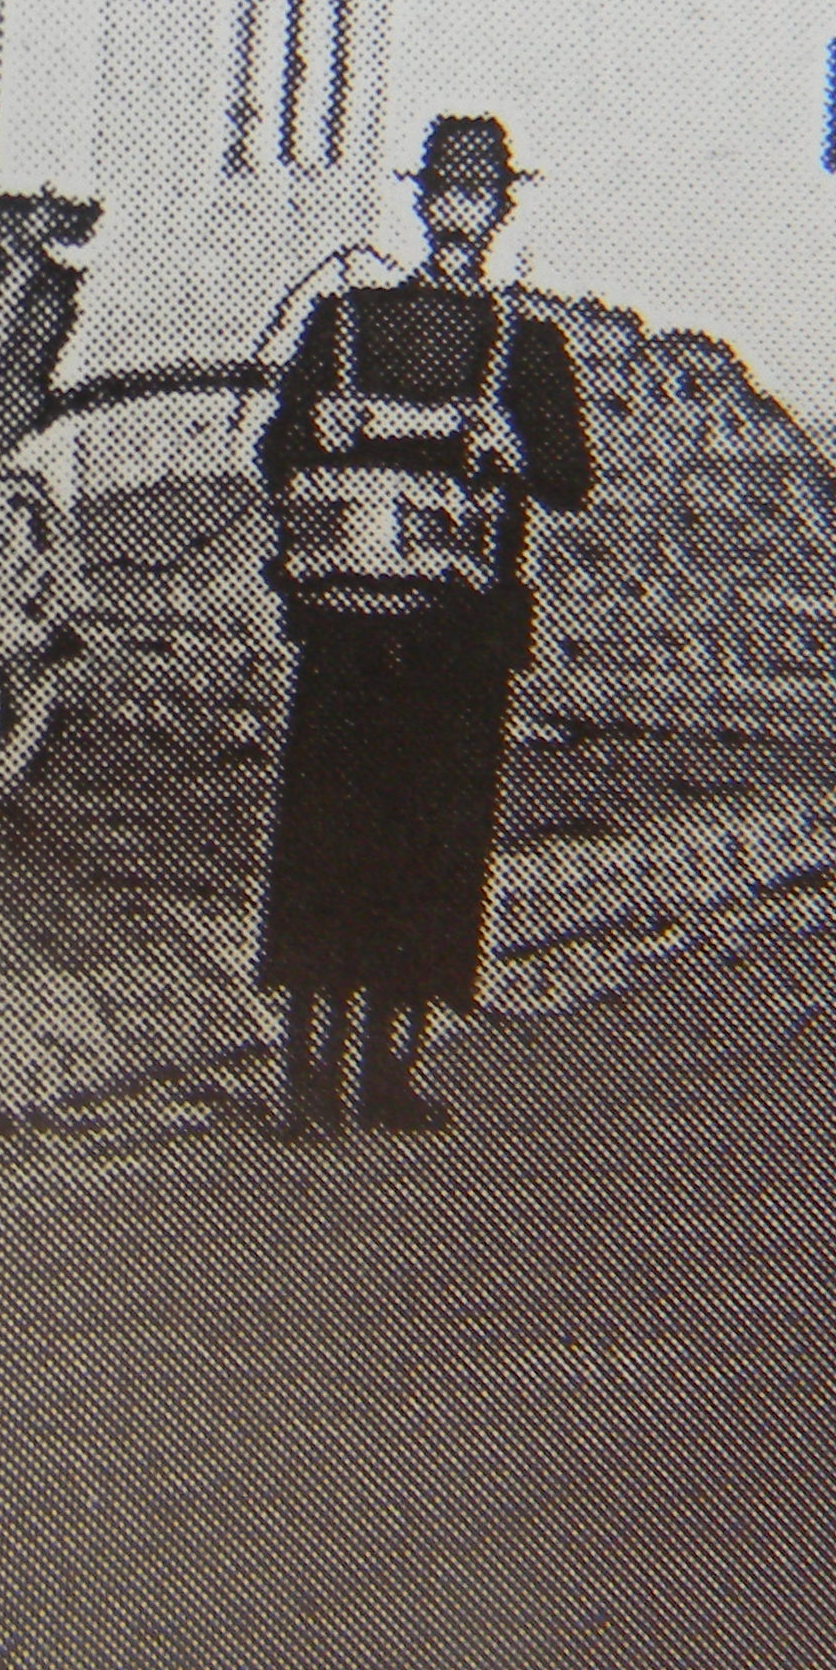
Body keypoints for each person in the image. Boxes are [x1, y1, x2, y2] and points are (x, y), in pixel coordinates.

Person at [252, 114, 595, 1134]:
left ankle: (391, 1067)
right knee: (328, 831)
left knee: (432, 841)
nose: (458, 214)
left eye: (476, 197)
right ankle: (306, 1074)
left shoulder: (529, 344)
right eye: (444, 194)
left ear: (499, 211)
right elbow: (275, 454)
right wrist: (317, 424)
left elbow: (572, 479)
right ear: (421, 203)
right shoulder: (345, 319)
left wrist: (516, 446)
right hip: (348, 620)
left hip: (461, 632)